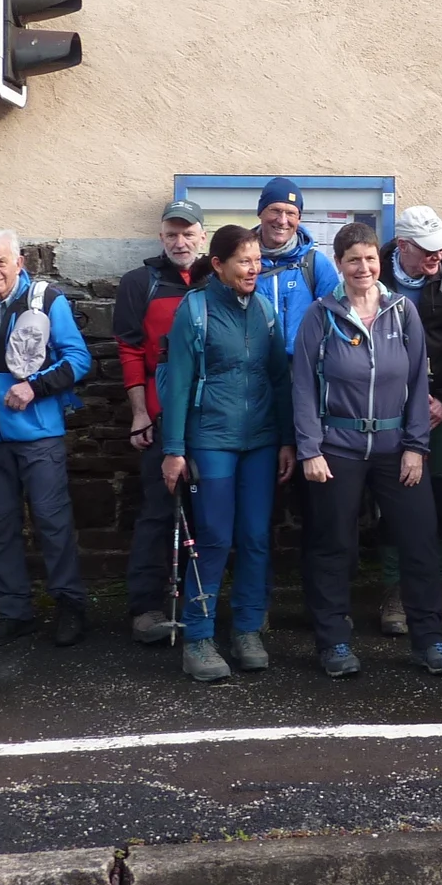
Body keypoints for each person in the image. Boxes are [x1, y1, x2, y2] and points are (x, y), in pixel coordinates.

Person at [292, 222, 442, 678]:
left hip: (395, 447)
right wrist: (310, 449)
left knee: (419, 543)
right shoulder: (320, 316)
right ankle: (334, 642)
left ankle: (428, 639)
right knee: (333, 547)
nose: (362, 267)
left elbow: (420, 380)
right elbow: (303, 386)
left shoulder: (403, 312)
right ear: (340, 265)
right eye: (352, 260)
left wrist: (416, 447)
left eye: (369, 258)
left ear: (378, 261)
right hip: (336, 448)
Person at [157, 225, 295, 682]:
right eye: (243, 261)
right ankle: (199, 637)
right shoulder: (193, 311)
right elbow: (176, 384)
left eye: (256, 260)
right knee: (214, 537)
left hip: (260, 441)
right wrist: (173, 450)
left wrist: (287, 440)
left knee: (255, 537)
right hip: (210, 440)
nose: (253, 269)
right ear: (217, 265)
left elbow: (279, 379)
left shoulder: (265, 311)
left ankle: (248, 630)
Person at [0, 229, 94, 650]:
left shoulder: (48, 301)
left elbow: (78, 359)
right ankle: (14, 611)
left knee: (52, 523)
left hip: (38, 436)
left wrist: (35, 386)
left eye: (2, 262)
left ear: (20, 263)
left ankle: (71, 606)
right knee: (0, 527)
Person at [377, 205, 442, 638]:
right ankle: (393, 590)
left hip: (438, 408)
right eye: (428, 249)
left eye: (440, 247)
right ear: (403, 246)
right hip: (383, 407)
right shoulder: (372, 275)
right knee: (389, 495)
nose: (438, 255)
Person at [111, 199, 207, 644]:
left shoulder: (219, 278)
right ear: (161, 238)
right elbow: (130, 350)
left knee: (209, 515)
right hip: (160, 412)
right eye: (172, 234)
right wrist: (139, 413)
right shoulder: (139, 283)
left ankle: (198, 602)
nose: (180, 242)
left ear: (202, 237)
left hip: (211, 418)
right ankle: (147, 605)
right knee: (156, 513)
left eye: (188, 234)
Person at [253, 177, 341, 355]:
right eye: (275, 210)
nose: (282, 220)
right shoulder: (241, 260)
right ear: (260, 212)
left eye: (291, 213)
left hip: (301, 371)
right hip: (252, 372)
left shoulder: (315, 264)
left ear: (299, 218)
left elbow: (336, 323)